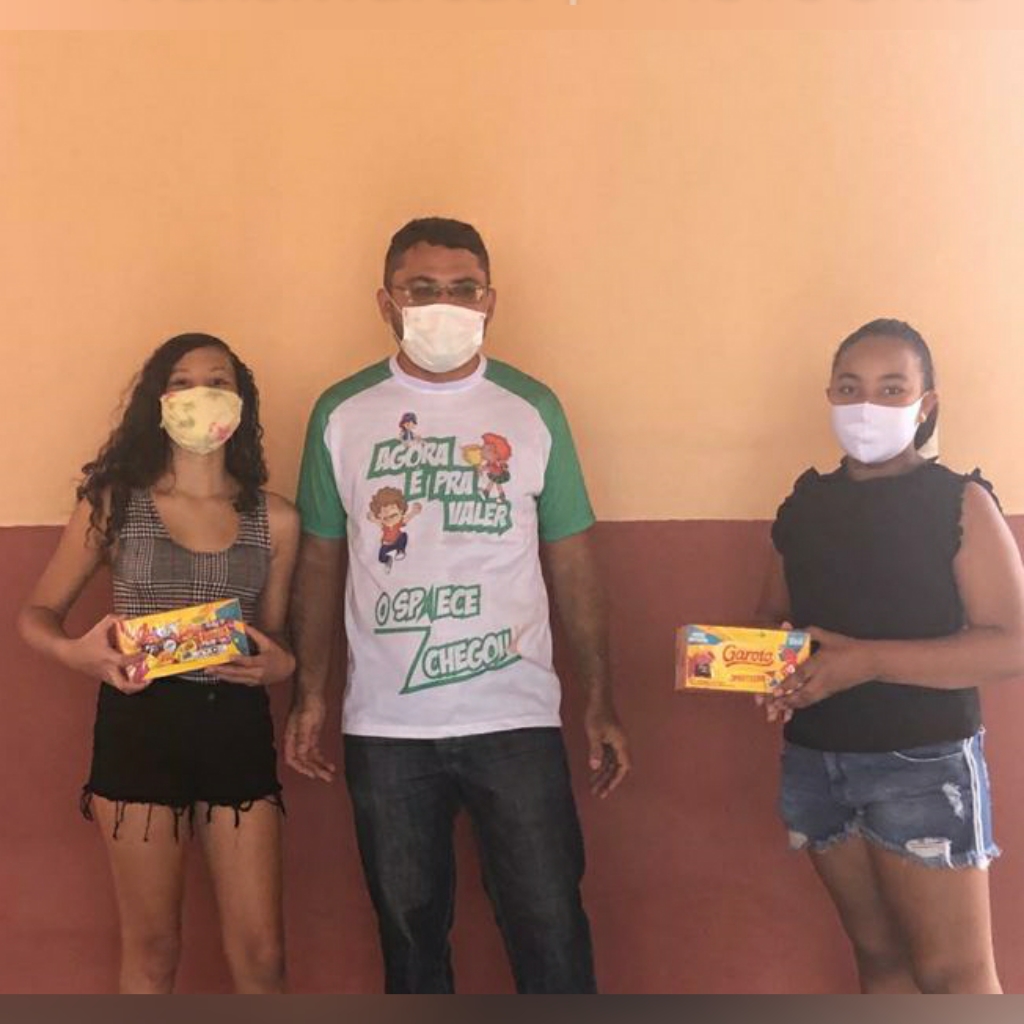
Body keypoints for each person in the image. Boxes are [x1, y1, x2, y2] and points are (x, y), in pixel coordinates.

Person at [286, 217, 630, 994]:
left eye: (463, 289)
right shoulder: (341, 413)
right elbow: (321, 557)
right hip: (387, 726)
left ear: (490, 300)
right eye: (422, 289)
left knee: (550, 931)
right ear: (386, 302)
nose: (444, 304)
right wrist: (309, 693)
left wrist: (600, 697)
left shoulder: (532, 409)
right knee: (410, 943)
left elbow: (572, 559)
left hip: (515, 716)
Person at [17, 333, 300, 994]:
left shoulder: (277, 519)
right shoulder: (114, 502)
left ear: (241, 400)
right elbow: (37, 613)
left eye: (218, 380)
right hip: (139, 725)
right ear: (158, 400)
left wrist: (280, 667)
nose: (201, 393)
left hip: (235, 725)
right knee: (152, 948)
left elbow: (272, 636)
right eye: (182, 381)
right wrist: (77, 654)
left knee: (262, 954)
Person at [758, 318, 1024, 994]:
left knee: (954, 976)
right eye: (850, 388)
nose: (866, 407)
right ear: (829, 396)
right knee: (880, 961)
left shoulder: (958, 501)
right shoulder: (804, 505)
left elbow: (1011, 644)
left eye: (890, 389)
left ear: (925, 403)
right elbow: (773, 620)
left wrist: (869, 662)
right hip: (816, 762)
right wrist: (761, 667)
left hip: (922, 763)